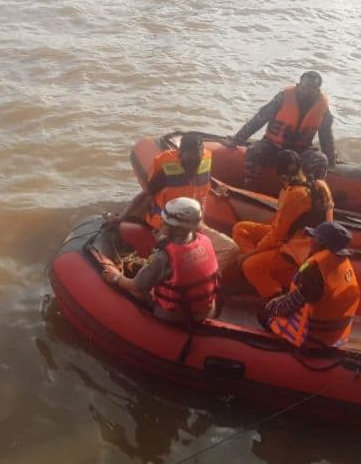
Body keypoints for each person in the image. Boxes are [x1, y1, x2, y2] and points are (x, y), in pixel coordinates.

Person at [119, 133, 239, 268]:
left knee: (231, 249)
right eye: (187, 161)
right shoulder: (167, 167)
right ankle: (182, 276)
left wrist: (217, 188)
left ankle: (204, 275)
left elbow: (204, 180)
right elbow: (147, 194)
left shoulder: (206, 159)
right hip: (168, 226)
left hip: (194, 224)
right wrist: (121, 217)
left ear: (201, 155)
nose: (191, 167)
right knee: (174, 258)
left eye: (195, 162)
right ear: (179, 153)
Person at [102, 197, 220, 324]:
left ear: (175, 228)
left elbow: (137, 286)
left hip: (176, 316)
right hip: (206, 309)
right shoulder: (205, 240)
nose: (161, 224)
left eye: (164, 222)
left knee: (132, 290)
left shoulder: (164, 257)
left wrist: (116, 277)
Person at [233, 150, 332, 298]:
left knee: (250, 266)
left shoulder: (296, 195)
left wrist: (254, 253)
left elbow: (277, 236)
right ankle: (255, 273)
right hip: (296, 238)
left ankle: (274, 297)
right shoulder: (319, 186)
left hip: (298, 249)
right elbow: (281, 224)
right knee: (241, 229)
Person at [224, 71, 335, 189]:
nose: (308, 91)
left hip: (301, 150)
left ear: (318, 90)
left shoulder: (322, 108)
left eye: (312, 88)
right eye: (305, 87)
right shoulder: (282, 98)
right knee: (253, 151)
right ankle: (249, 187)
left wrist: (331, 159)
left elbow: (326, 135)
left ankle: (312, 194)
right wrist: (237, 140)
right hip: (273, 145)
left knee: (321, 160)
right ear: (298, 86)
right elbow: (258, 120)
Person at [262, 221, 360, 348]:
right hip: (335, 335)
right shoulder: (342, 263)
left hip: (313, 335)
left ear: (320, 243)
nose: (310, 240)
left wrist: (272, 308)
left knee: (263, 313)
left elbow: (291, 304)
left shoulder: (314, 271)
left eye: (314, 237)